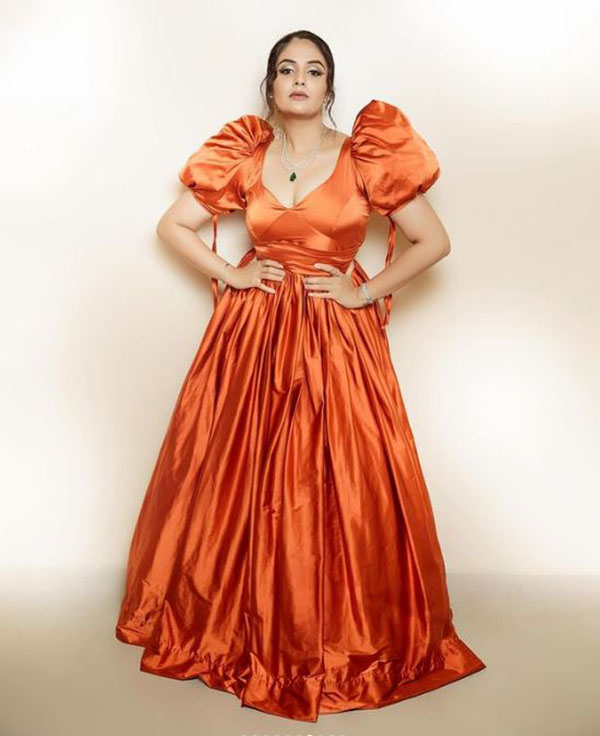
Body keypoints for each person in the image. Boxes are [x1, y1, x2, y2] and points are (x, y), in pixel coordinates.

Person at [115, 29, 486, 723]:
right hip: (251, 336)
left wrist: (363, 291)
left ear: (328, 86)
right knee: (235, 472)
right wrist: (231, 274)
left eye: (313, 71)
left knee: (338, 474)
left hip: (334, 339)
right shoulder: (246, 153)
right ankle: (238, 626)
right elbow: (173, 226)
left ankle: (333, 633)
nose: (299, 80)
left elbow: (433, 241)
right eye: (287, 69)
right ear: (271, 84)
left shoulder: (364, 154)